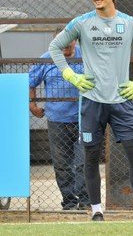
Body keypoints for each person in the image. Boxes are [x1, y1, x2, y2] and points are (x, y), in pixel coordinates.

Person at [48, 0, 133, 221]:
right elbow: (55, 46)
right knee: (91, 157)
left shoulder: (131, 24)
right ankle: (96, 211)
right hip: (91, 102)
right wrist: (70, 75)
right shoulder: (81, 23)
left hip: (122, 101)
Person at [29, 27, 90, 210]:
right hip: (57, 120)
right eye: (59, 42)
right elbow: (31, 81)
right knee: (62, 165)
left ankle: (86, 202)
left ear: (75, 40)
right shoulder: (46, 58)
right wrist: (32, 105)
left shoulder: (86, 55)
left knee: (84, 163)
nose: (64, 46)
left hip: (84, 118)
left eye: (68, 41)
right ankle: (69, 202)